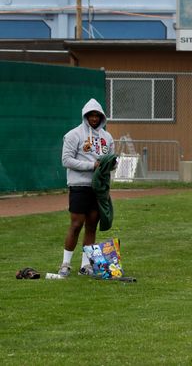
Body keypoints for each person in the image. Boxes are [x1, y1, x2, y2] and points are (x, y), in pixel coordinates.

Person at [59, 98, 115, 277]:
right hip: (79, 185)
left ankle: (86, 266)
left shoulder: (107, 137)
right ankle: (65, 264)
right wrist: (91, 166)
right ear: (85, 116)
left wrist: (110, 164)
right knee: (76, 224)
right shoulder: (73, 135)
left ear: (101, 117)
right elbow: (66, 160)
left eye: (97, 115)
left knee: (92, 225)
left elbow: (112, 162)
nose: (94, 118)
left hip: (98, 188)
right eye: (91, 115)